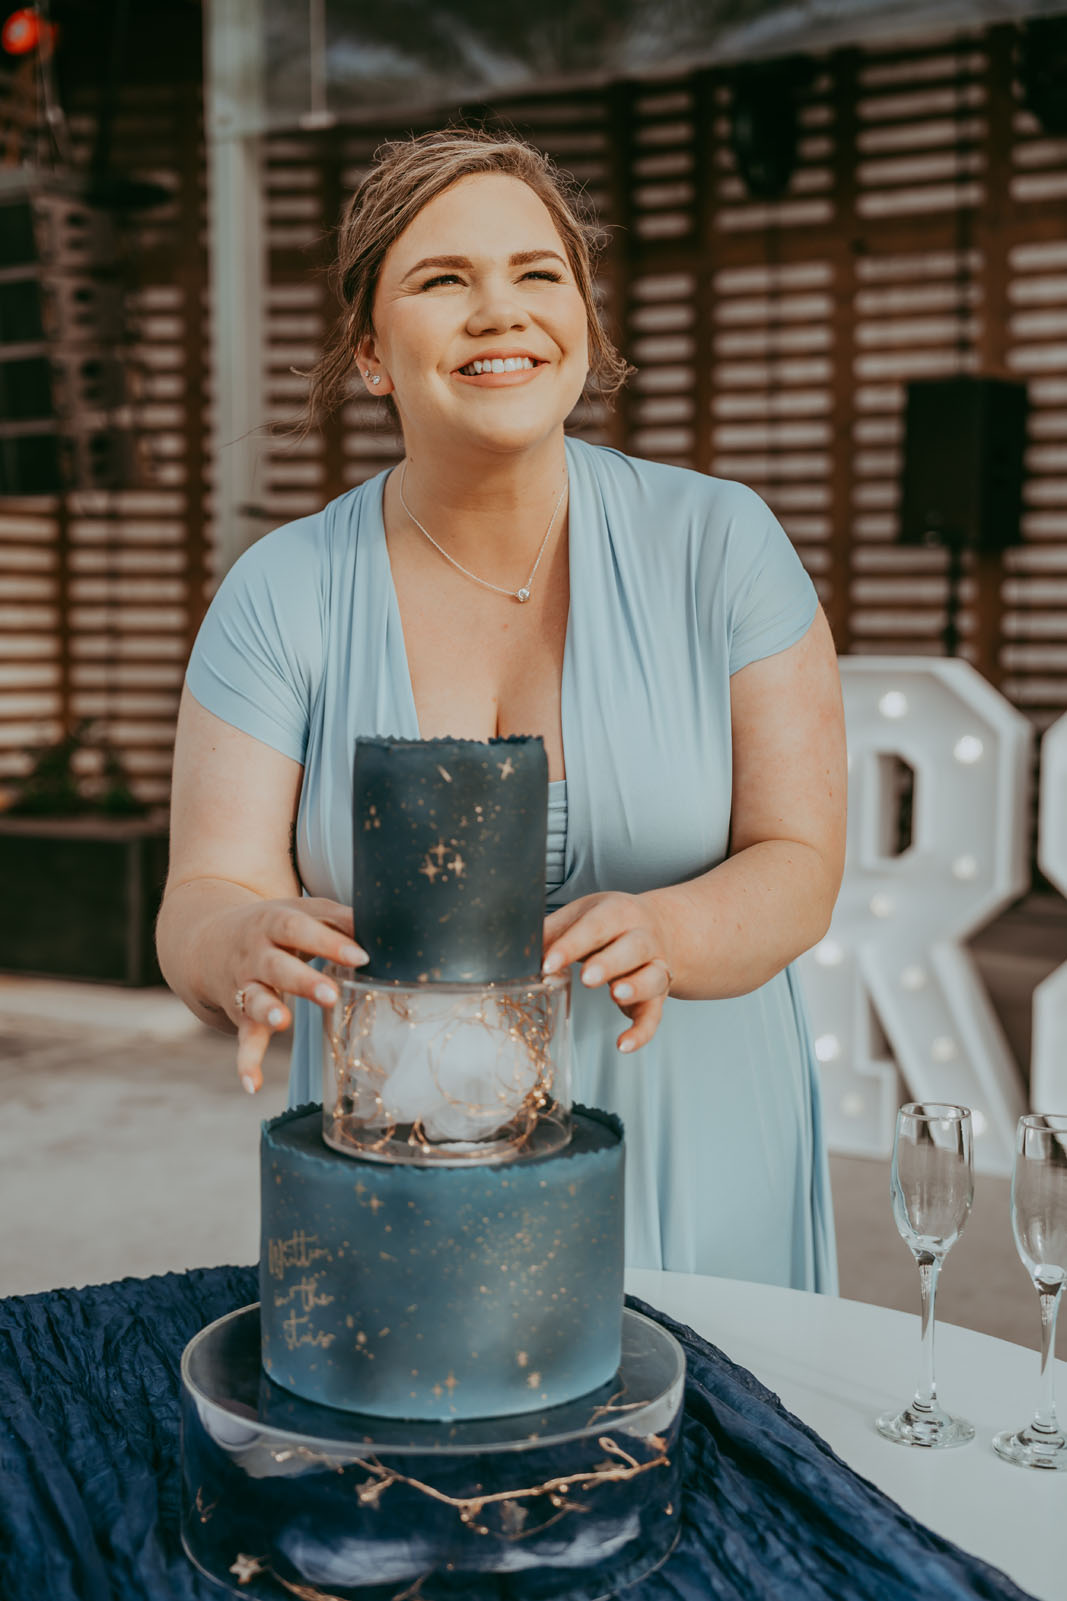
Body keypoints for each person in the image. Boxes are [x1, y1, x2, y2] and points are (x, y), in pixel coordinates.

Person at [157, 128, 846, 1291]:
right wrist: (234, 941)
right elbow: (203, 894)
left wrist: (670, 933)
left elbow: (800, 862)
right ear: (371, 353)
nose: (501, 311)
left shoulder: (722, 543)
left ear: (583, 321)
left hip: (703, 1143)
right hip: (398, 1172)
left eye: (538, 273)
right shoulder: (280, 589)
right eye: (442, 280)